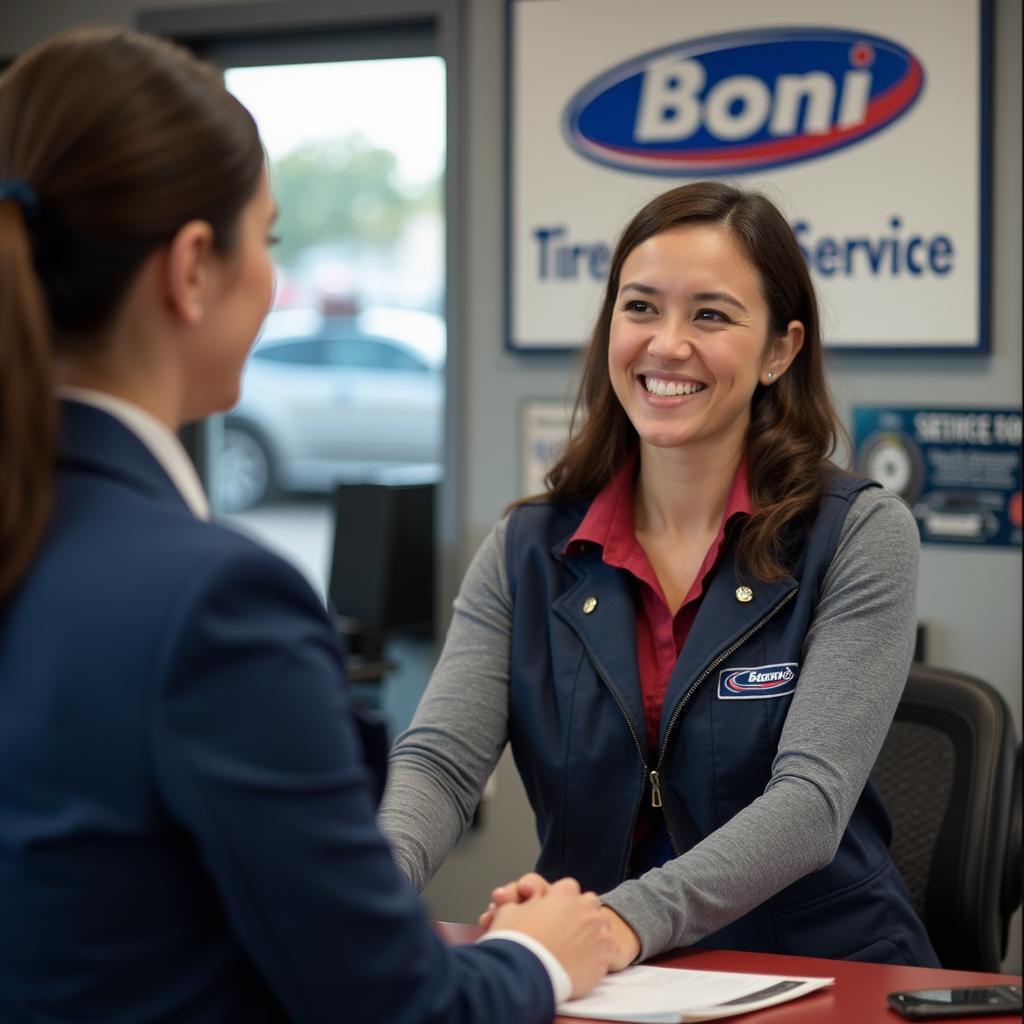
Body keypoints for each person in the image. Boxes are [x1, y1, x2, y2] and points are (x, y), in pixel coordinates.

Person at [0, 27, 616, 1023]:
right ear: (194, 266)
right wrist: (539, 958)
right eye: (270, 240)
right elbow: (390, 1007)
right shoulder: (213, 602)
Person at [379, 181, 941, 970]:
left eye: (710, 315)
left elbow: (809, 804)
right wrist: (369, 897)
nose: (666, 344)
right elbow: (439, 763)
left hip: (816, 969)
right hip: (597, 973)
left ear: (780, 350)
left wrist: (618, 922)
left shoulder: (857, 535)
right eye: (640, 307)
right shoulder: (527, 549)